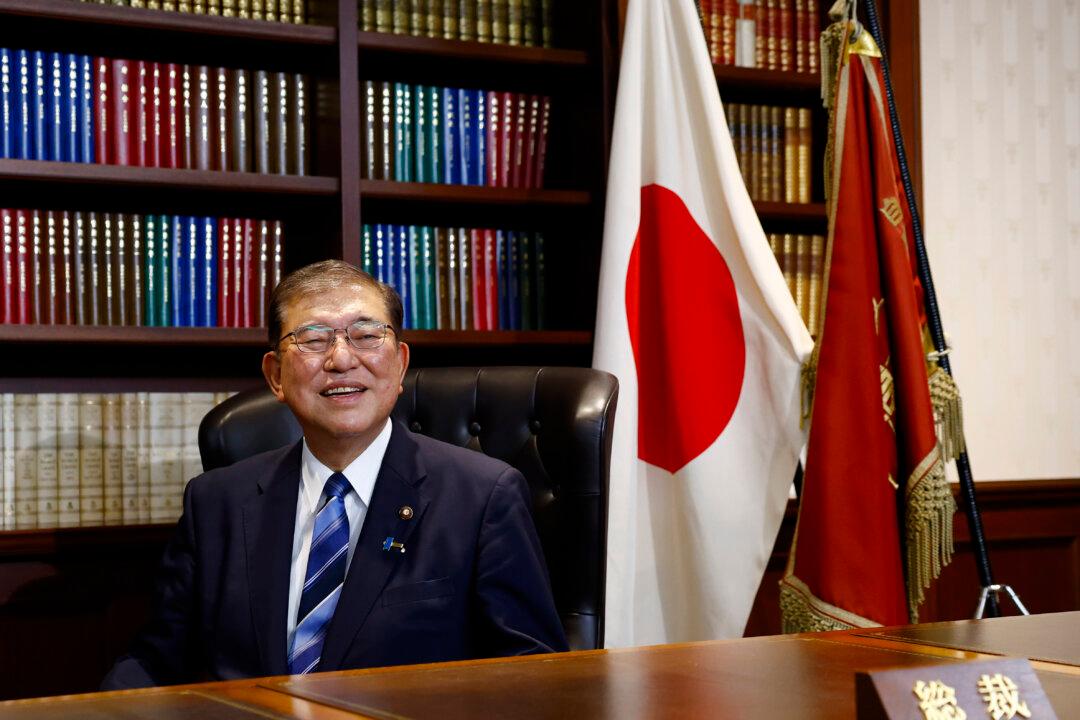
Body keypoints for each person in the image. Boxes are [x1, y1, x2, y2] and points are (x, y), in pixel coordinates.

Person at [103, 260, 567, 688]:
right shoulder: (216, 501)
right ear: (275, 376)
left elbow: (532, 676)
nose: (342, 359)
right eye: (313, 338)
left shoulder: (483, 496)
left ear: (401, 363)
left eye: (366, 336)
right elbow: (154, 661)